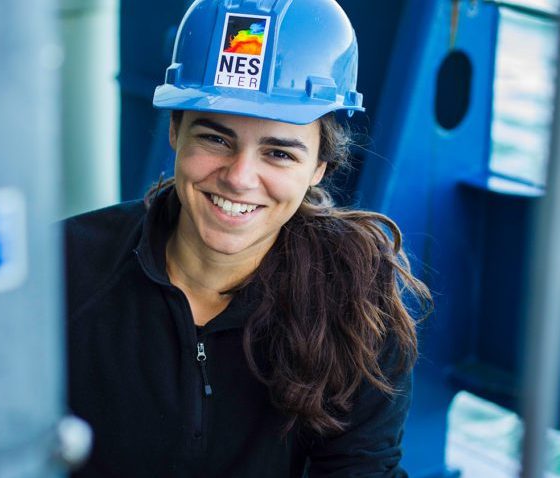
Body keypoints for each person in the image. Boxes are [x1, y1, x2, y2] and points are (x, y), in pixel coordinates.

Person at [64, 0, 431, 476]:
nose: (239, 178)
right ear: (175, 131)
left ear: (319, 167)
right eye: (216, 139)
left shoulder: (357, 305)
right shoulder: (67, 267)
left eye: (278, 153)